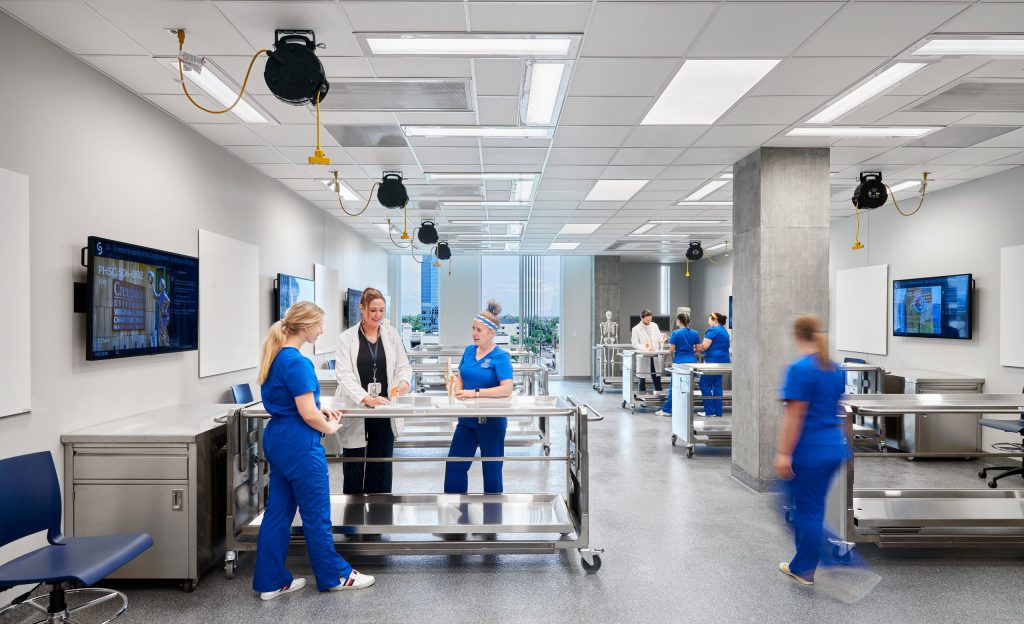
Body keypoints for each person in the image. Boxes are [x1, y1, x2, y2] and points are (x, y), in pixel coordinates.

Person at [253, 302, 374, 600]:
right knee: (317, 513)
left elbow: (295, 403)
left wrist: (320, 412)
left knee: (278, 512)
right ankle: (336, 575)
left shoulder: (277, 357)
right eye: (320, 325)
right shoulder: (297, 362)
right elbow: (307, 414)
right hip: (300, 444)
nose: (322, 330)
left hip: (279, 439)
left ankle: (270, 581)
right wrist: (330, 427)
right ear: (305, 327)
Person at [774, 315, 851, 586]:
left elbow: (794, 417)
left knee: (804, 508)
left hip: (809, 451)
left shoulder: (800, 369)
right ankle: (804, 562)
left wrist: (783, 453)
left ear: (798, 336)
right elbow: (839, 411)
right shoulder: (835, 369)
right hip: (832, 449)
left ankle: (806, 567)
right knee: (810, 506)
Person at [335, 288, 412, 494]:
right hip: (357, 407)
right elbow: (344, 374)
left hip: (384, 408)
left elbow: (404, 366)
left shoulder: (391, 335)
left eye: (381, 310)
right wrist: (365, 398)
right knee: (354, 464)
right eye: (372, 311)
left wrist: (404, 382)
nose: (377, 316)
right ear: (362, 309)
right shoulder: (347, 338)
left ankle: (379, 517)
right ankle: (351, 517)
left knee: (381, 464)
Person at [443, 300, 514, 495]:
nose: (474, 333)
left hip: (491, 421)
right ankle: (454, 514)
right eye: (473, 328)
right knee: (455, 466)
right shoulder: (468, 351)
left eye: (479, 330)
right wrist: (457, 389)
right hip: (467, 420)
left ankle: (492, 518)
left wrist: (474, 393)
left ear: (491, 333)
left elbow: (507, 389)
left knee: (492, 472)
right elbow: (460, 376)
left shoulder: (501, 357)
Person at [655, 312, 700, 418]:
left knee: (675, 387)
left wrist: (667, 351)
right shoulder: (694, 333)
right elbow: (698, 349)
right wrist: (689, 350)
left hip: (680, 363)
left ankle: (667, 410)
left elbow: (671, 350)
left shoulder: (676, 333)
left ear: (679, 321)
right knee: (687, 388)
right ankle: (685, 409)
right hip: (692, 362)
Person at [695, 312, 731, 417]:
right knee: (717, 385)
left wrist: (695, 348)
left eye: (709, 318)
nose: (708, 319)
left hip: (713, 362)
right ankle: (718, 412)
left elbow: (704, 346)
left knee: (704, 384)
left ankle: (710, 411)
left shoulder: (713, 330)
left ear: (714, 320)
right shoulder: (724, 331)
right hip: (723, 362)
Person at [630, 309, 663, 394]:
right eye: (647, 320)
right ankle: (641, 397)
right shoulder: (636, 329)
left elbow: (659, 337)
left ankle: (660, 397)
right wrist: (646, 348)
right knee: (642, 378)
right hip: (644, 356)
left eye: (650, 319)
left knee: (656, 377)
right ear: (642, 318)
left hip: (655, 355)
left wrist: (663, 338)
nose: (649, 321)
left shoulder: (654, 325)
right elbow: (634, 344)